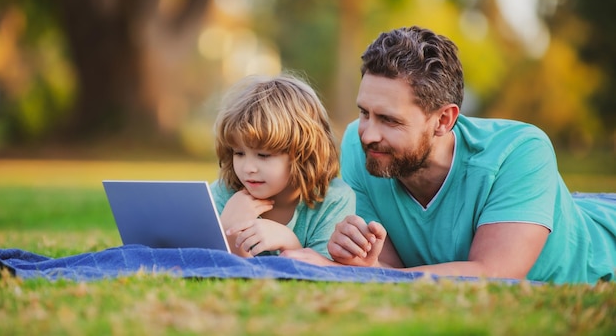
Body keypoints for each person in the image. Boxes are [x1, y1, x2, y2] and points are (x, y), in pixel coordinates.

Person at [281, 26, 616, 284]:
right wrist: (356, 262)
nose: (368, 133)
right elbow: (388, 272)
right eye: (364, 112)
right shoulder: (360, 146)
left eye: (389, 119)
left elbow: (493, 274)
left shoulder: (521, 150)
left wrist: (343, 271)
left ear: (443, 120)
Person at [210, 74, 356, 259]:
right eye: (239, 153)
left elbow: (322, 275)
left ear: (304, 154)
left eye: (263, 155)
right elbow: (212, 268)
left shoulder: (333, 201)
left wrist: (289, 242)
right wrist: (228, 231)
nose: (248, 168)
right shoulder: (226, 195)